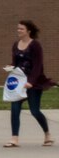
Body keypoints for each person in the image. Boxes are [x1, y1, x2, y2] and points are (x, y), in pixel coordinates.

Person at [6, 19, 53, 147]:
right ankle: (14, 138)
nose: (18, 31)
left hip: (34, 82)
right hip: (19, 83)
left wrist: (31, 82)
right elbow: (15, 63)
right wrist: (10, 67)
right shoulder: (16, 45)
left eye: (21, 29)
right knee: (15, 109)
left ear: (28, 31)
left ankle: (47, 134)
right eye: (18, 28)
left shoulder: (35, 45)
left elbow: (38, 66)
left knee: (35, 111)